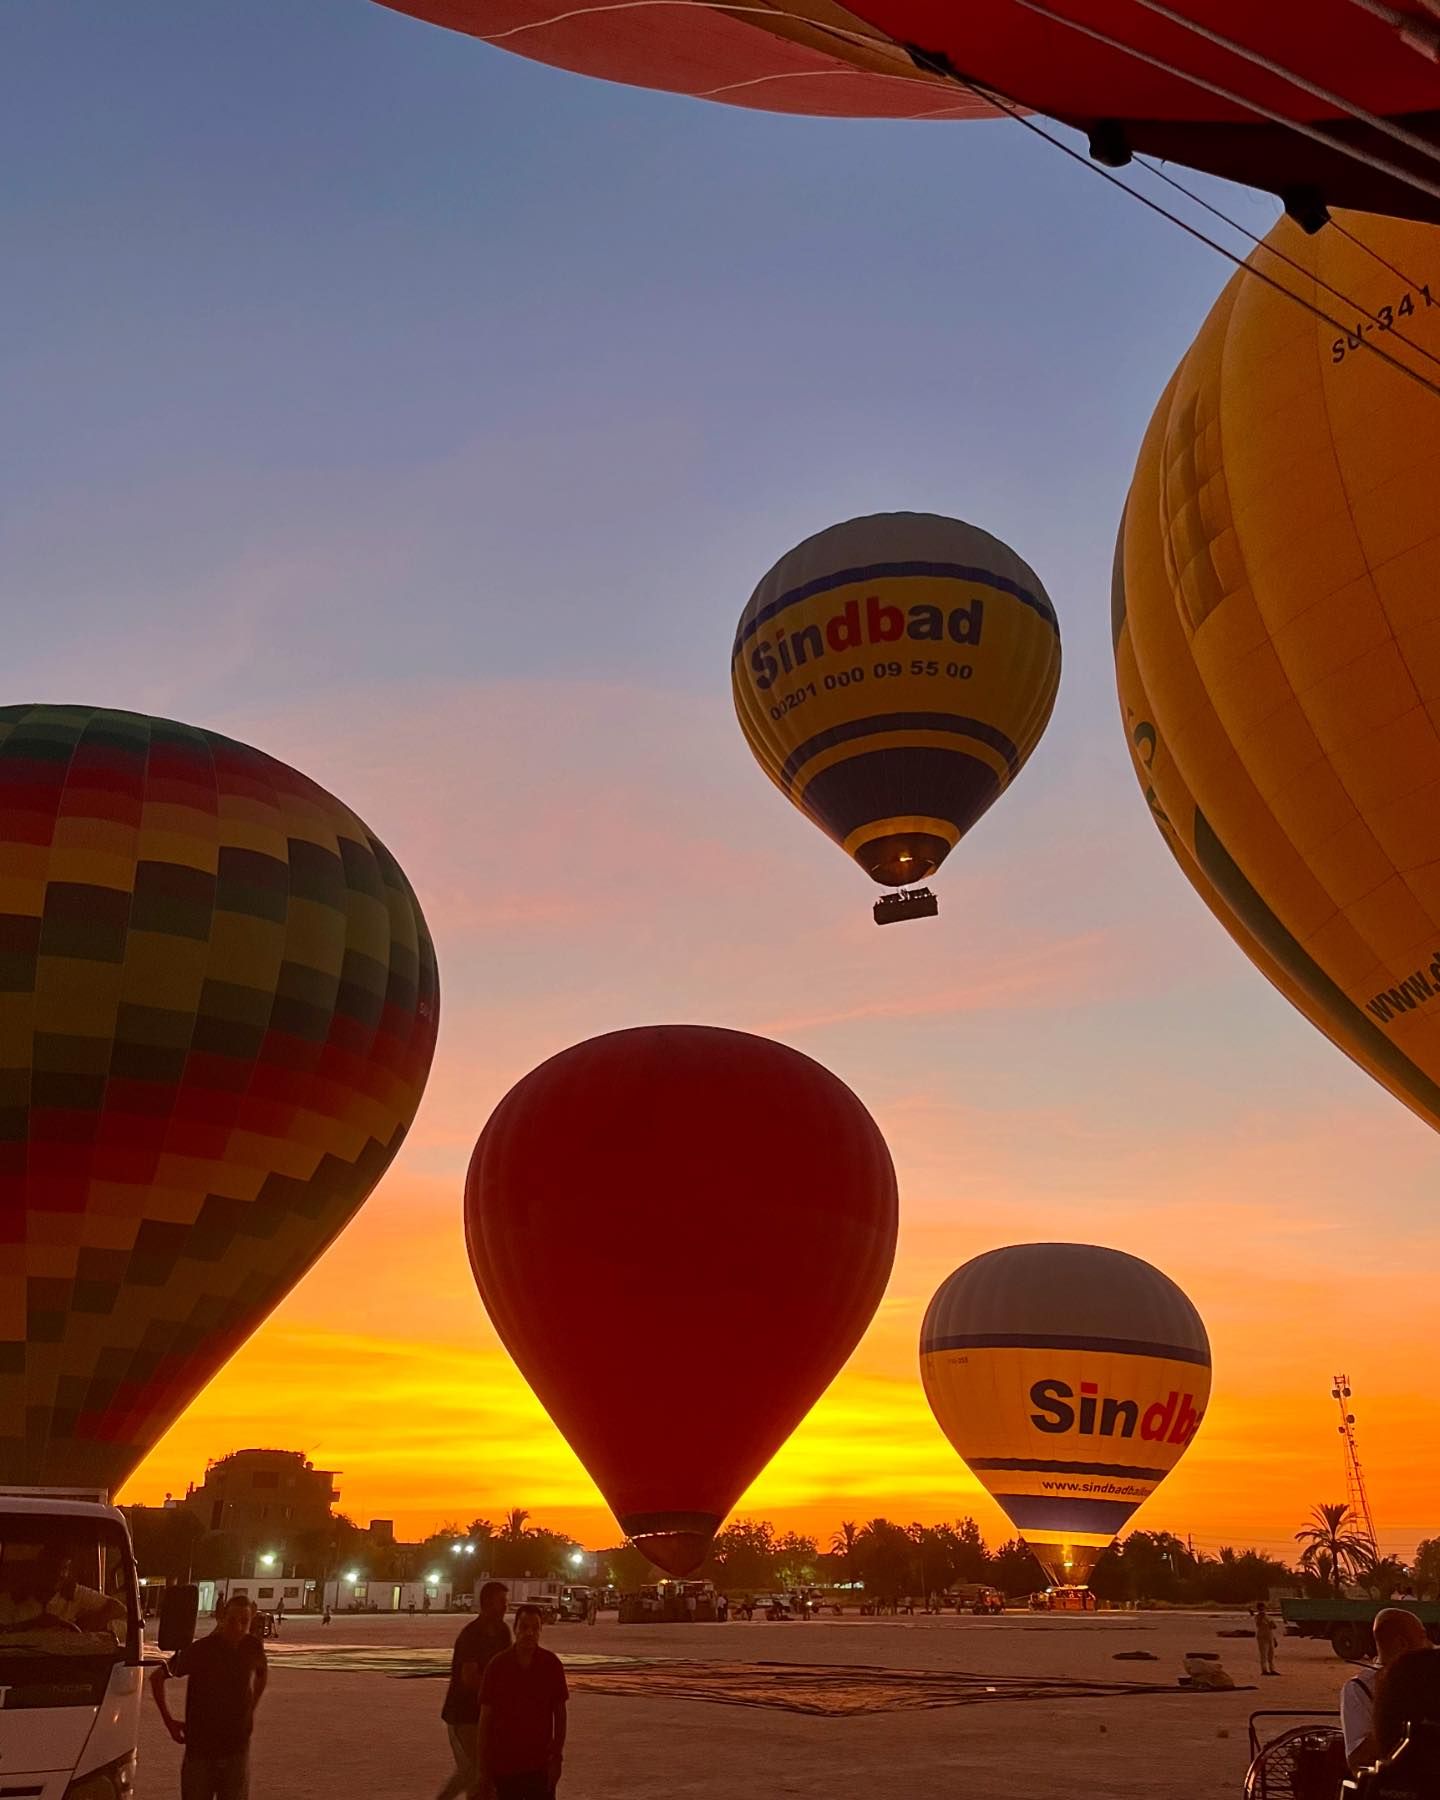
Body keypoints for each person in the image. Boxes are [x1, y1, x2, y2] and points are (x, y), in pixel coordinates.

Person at [150, 1592, 268, 1800]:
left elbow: (261, 1674)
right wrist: (169, 1721)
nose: (238, 1627)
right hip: (201, 1750)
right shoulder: (200, 1651)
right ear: (222, 1618)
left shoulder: (252, 1647)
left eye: (244, 1621)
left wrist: (251, 1707)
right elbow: (157, 1677)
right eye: (233, 1620)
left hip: (236, 1748)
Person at [479, 1604, 568, 1799]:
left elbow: (560, 1713)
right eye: (524, 1627)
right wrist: (484, 1769)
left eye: (535, 1628)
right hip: (505, 1764)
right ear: (515, 1629)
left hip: (540, 1764)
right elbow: (486, 1718)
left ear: (541, 1631)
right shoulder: (498, 1666)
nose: (529, 1633)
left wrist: (556, 1756)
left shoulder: (551, 1665)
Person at [436, 1579, 510, 1800]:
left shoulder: (503, 1632)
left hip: (484, 1715)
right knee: (474, 1771)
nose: (506, 1607)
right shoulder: (471, 1635)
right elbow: (470, 1678)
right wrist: (497, 1696)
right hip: (463, 1715)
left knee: (481, 1774)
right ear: (487, 1603)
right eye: (502, 1602)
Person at [1343, 1610, 1428, 1772]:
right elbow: (1357, 1759)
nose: (1429, 1644)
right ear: (1402, 1644)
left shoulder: (1426, 1678)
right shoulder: (1359, 1688)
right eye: (1423, 1637)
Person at [1254, 1601, 1279, 1676]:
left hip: (1269, 1636)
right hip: (1262, 1637)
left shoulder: (1268, 1617)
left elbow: (1273, 1627)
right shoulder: (1258, 1617)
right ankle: (1264, 1670)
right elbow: (1258, 1624)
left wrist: (1274, 1639)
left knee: (1271, 1654)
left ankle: (1272, 1669)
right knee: (1263, 1654)